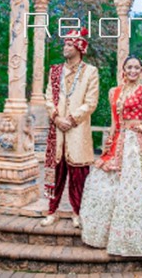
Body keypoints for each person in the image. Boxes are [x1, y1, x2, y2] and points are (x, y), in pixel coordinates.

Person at [80, 55, 142, 256]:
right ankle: (108, 233)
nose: (133, 71)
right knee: (106, 183)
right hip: (118, 139)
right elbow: (114, 121)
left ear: (141, 70)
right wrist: (109, 141)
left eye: (136, 67)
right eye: (129, 67)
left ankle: (141, 236)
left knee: (133, 186)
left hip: (135, 144)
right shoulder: (114, 92)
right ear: (123, 70)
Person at [41, 28, 99, 228]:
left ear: (79, 47)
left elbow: (91, 102)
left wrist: (71, 120)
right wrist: (56, 118)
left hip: (77, 131)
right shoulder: (55, 71)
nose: (64, 47)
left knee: (78, 177)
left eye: (68, 44)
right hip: (57, 130)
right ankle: (52, 210)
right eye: (65, 44)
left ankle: (78, 212)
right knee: (54, 174)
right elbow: (48, 97)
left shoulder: (91, 72)